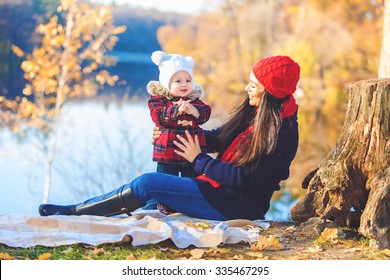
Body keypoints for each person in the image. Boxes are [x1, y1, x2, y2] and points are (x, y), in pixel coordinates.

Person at [39, 55, 300, 221]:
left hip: (237, 205)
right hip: (219, 191)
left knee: (147, 184)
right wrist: (172, 137)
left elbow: (242, 179)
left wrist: (198, 160)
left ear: (271, 91)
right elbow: (219, 138)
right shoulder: (257, 113)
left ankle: (73, 213)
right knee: (152, 193)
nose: (247, 88)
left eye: (253, 85)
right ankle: (84, 211)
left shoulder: (282, 133)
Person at [147, 50, 211, 178]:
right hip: (167, 155)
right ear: (166, 83)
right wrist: (177, 110)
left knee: (192, 183)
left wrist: (194, 111)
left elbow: (206, 113)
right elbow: (158, 116)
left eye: (188, 80)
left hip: (192, 156)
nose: (184, 84)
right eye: (178, 81)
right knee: (166, 183)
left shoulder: (194, 100)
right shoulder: (159, 100)